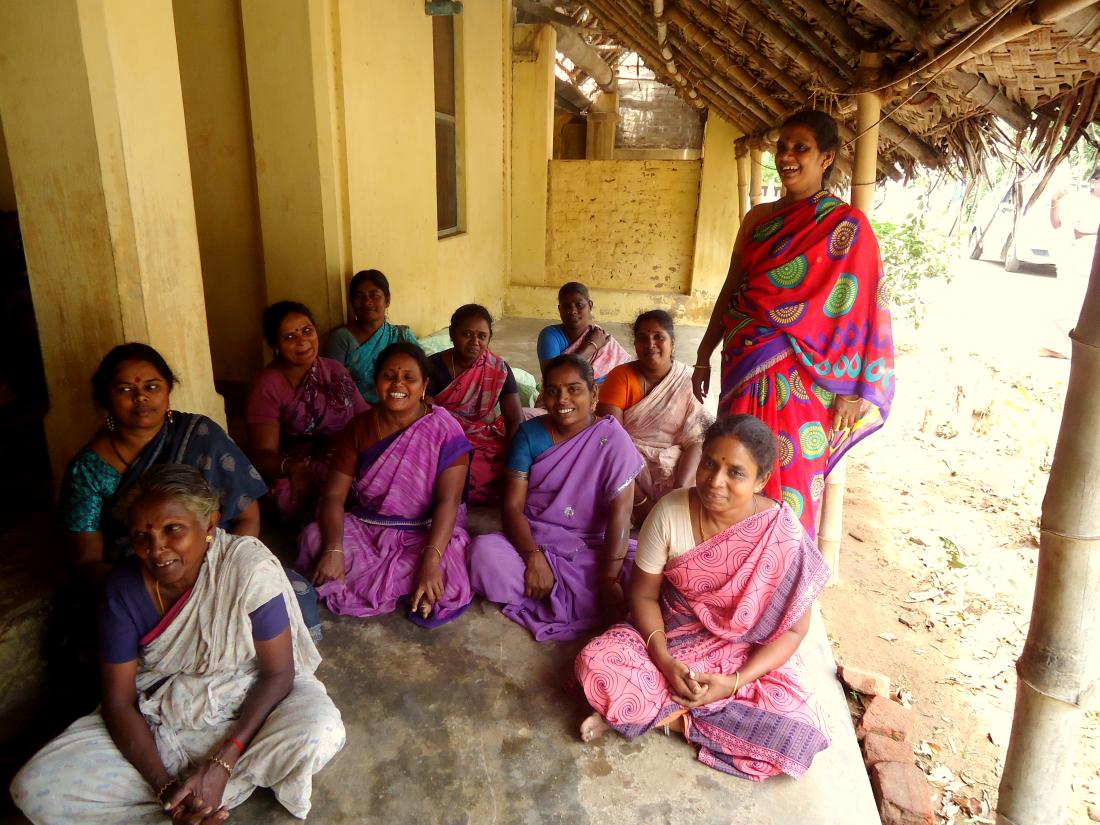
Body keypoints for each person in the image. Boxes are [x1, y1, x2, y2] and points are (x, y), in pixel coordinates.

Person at [11, 465, 345, 824]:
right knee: (34, 789)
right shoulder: (122, 591)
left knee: (319, 731)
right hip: (164, 714)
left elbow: (279, 674)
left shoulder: (246, 568)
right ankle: (191, 802)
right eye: (142, 535)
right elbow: (120, 703)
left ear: (210, 525)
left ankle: (209, 790)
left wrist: (222, 763)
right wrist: (165, 788)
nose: (156, 550)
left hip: (250, 701)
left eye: (173, 530)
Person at [576, 415, 830, 781]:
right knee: (597, 662)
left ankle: (648, 715)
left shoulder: (783, 536)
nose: (715, 481)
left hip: (744, 653)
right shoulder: (670, 512)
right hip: (672, 639)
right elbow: (643, 596)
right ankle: (659, 712)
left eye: (735, 473)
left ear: (761, 481)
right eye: (709, 464)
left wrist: (735, 682)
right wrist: (663, 659)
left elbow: (792, 634)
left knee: (798, 732)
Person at [693, 109, 894, 539]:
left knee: (794, 478)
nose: (786, 156)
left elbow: (862, 312)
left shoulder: (846, 227)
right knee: (730, 468)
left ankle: (784, 577)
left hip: (806, 378)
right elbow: (732, 288)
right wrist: (703, 352)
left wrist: (851, 388)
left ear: (826, 158)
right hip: (744, 362)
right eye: (782, 147)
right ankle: (725, 566)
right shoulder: (757, 220)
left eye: (800, 147)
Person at [297, 342, 474, 626]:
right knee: (315, 538)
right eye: (389, 376)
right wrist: (333, 548)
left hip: (427, 529)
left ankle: (419, 581)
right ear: (376, 381)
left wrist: (430, 562)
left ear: (424, 385)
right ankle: (413, 589)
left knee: (450, 570)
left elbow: (448, 502)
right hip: (369, 526)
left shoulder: (444, 428)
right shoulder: (358, 428)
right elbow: (333, 496)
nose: (398, 385)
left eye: (409, 378)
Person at [468, 354, 642, 641]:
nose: (562, 399)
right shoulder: (529, 434)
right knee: (484, 555)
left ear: (593, 393)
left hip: (592, 547)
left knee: (649, 572)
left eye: (574, 389)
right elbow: (512, 506)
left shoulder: (612, 437)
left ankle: (554, 594)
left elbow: (621, 515)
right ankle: (578, 598)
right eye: (553, 391)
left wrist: (609, 578)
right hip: (535, 538)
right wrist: (533, 556)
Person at [62, 344, 268, 574]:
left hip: (215, 566)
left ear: (168, 390)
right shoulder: (88, 469)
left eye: (152, 387)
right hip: (140, 579)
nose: (141, 396)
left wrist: (221, 573)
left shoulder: (202, 436)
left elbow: (248, 517)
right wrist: (148, 592)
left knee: (294, 595)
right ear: (106, 398)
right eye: (125, 390)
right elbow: (88, 562)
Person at [246, 301, 368, 524]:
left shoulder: (335, 370)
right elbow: (262, 454)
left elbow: (364, 416)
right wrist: (296, 468)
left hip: (346, 452)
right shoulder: (267, 385)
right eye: (289, 337)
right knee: (290, 495)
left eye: (307, 331)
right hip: (297, 463)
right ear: (275, 345)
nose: (302, 341)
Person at [597, 310, 712, 526]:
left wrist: (679, 491)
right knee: (603, 462)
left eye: (659, 337)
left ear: (673, 343)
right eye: (642, 338)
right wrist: (640, 498)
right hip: (630, 461)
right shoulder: (620, 377)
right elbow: (612, 437)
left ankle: (674, 512)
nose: (650, 344)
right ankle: (644, 511)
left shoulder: (688, 380)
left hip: (679, 464)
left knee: (710, 469)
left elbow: (698, 441)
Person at [427, 304, 523, 504]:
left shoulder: (498, 369)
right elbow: (426, 417)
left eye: (482, 336)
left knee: (519, 460)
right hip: (442, 436)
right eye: (466, 334)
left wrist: (515, 459)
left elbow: (514, 419)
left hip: (482, 436)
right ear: (452, 334)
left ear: (489, 338)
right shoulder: (431, 367)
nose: (474, 342)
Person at [324, 269, 420, 403]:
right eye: (359, 296)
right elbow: (333, 387)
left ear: (387, 300)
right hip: (357, 413)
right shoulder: (341, 339)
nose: (367, 302)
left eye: (374, 295)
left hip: (401, 406)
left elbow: (420, 375)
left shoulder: (402, 335)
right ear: (351, 302)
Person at [1044, 168, 1100, 358]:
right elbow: (1058, 223)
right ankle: (1058, 346)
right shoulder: (1081, 201)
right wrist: (1055, 201)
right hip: (1079, 254)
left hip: (1091, 257)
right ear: (1093, 182)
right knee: (1068, 300)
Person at [536, 282, 631, 382]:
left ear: (590, 305)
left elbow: (624, 374)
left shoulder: (601, 337)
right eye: (566, 306)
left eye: (579, 305)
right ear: (559, 309)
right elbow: (553, 377)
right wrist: (591, 346)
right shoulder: (550, 335)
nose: (573, 311)